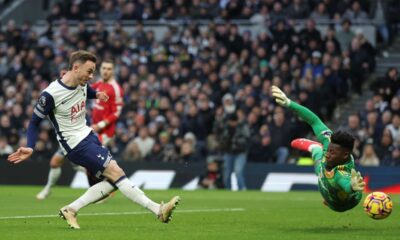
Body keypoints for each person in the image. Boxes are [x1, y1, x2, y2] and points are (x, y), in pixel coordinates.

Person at [8, 50, 180, 229]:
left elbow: (86, 90)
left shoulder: (81, 81)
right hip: (75, 144)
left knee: (113, 182)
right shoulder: (50, 94)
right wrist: (30, 146)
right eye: (89, 71)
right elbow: (34, 122)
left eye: (93, 72)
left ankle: (71, 209)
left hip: (89, 135)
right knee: (117, 173)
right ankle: (158, 210)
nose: (91, 76)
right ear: (75, 68)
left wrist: (96, 94)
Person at [36, 60, 124, 200]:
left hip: (102, 132)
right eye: (104, 68)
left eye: (109, 68)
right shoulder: (98, 84)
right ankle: (49, 189)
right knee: (56, 162)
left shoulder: (116, 88)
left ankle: (103, 190)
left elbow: (117, 112)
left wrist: (100, 125)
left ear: (113, 71)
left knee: (95, 165)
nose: (106, 71)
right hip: (83, 129)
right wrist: (68, 78)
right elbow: (81, 89)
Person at [271, 85, 365, 212]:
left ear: (344, 155)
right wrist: (289, 103)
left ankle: (315, 149)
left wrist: (352, 187)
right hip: (328, 185)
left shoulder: (340, 173)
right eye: (329, 150)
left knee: (321, 167)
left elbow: (346, 183)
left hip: (341, 204)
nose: (329, 154)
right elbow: (314, 120)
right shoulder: (330, 142)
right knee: (322, 160)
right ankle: (316, 149)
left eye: (332, 152)